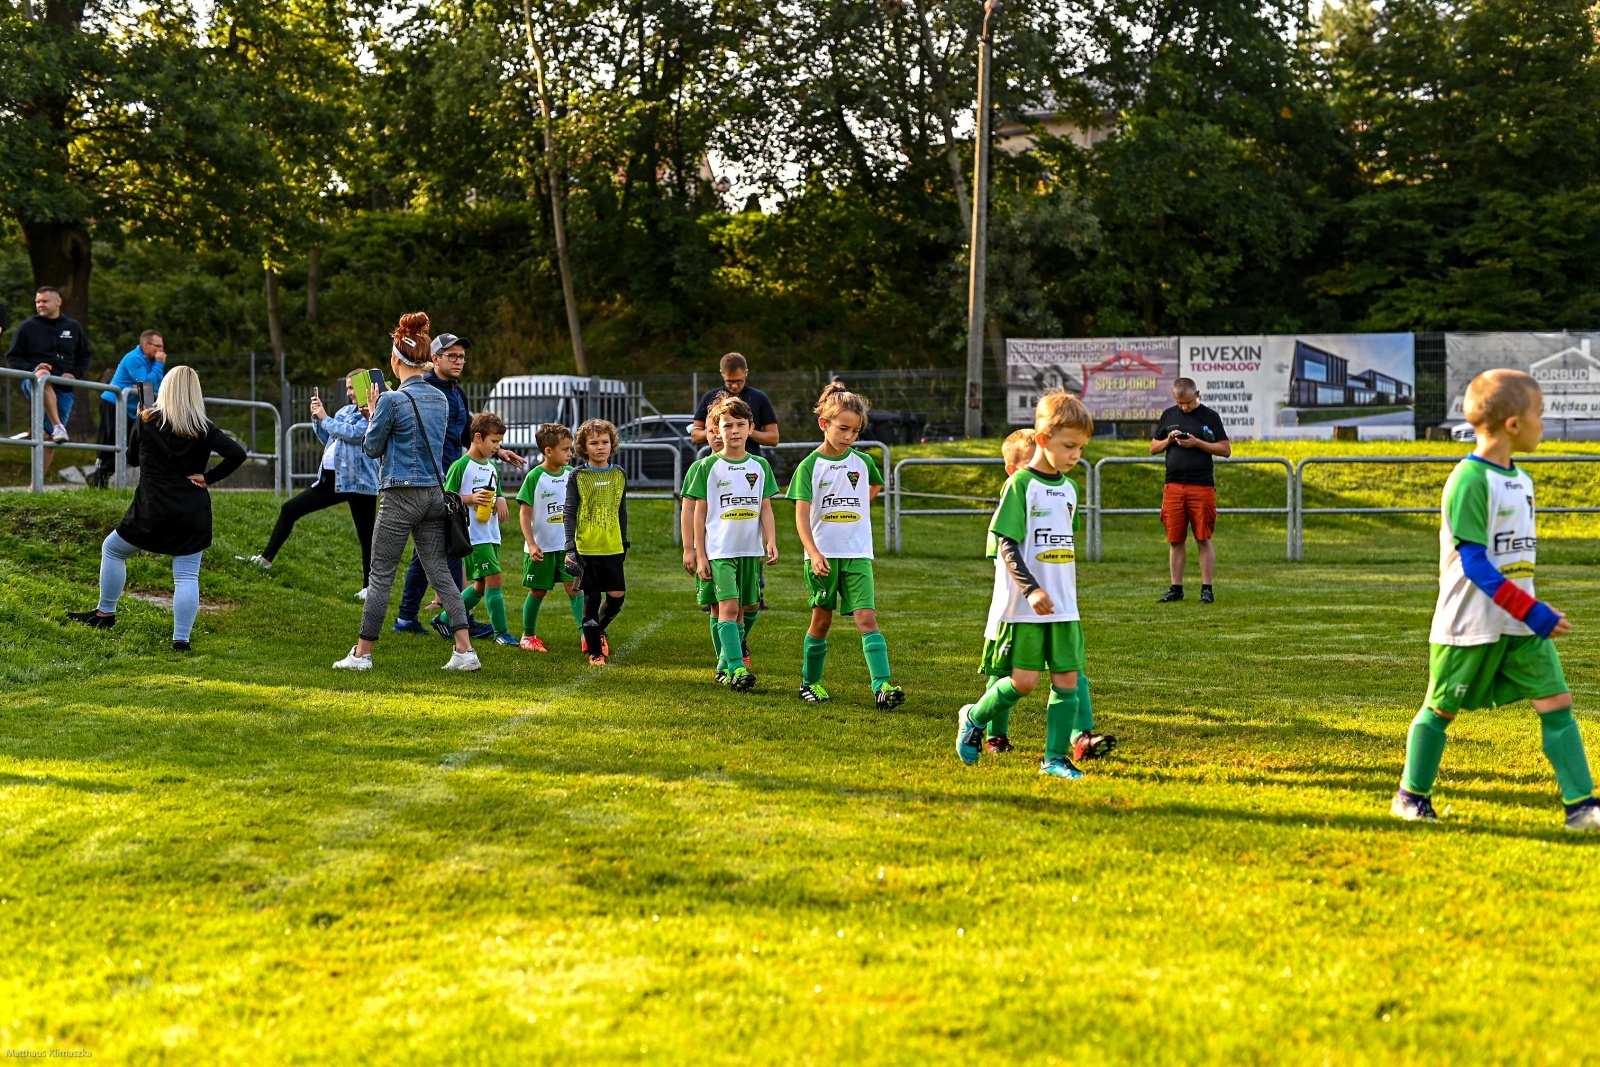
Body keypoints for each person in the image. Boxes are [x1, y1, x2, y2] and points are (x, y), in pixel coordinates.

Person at [1392, 369, 1599, 831]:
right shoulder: (1469, 479)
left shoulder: (1521, 479)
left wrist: (1529, 611)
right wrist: (1533, 610)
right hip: (1470, 624)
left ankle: (1582, 808)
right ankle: (1410, 797)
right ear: (1513, 425)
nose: (1543, 425)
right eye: (1538, 415)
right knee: (1440, 709)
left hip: (1521, 626)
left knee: (1558, 704)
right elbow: (1475, 564)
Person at [956, 390, 1096, 779]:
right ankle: (974, 716)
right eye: (1069, 446)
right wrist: (1031, 588)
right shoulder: (1021, 486)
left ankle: (1054, 759)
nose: (1075, 456)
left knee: (1067, 681)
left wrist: (1057, 588)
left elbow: (1061, 544)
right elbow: (1007, 544)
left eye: (1081, 449)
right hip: (1025, 606)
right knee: (1023, 682)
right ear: (1042, 439)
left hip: (1065, 606)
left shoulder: (1069, 490)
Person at [334, 312, 479, 672]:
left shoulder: (390, 400)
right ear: (428, 360)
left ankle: (362, 654)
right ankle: (465, 651)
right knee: (441, 573)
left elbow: (371, 447)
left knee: (381, 575)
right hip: (434, 493)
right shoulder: (441, 400)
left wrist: (372, 413)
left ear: (396, 360)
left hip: (400, 496)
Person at [66, 366, 246, 650]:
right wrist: (208, 477)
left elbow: (132, 459)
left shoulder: (147, 420)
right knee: (187, 576)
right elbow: (238, 453)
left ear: (166, 389)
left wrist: (140, 422)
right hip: (191, 510)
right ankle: (181, 639)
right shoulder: (203, 427)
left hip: (151, 509)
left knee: (112, 549)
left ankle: (105, 613)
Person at [973, 427, 1114, 760]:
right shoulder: (1017, 496)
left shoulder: (1065, 490)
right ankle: (995, 734)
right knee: (1005, 674)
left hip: (1057, 604)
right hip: (1013, 608)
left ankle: (1082, 737)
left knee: (1072, 670)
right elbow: (1007, 557)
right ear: (1012, 470)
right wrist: (1031, 589)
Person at [391, 331, 524, 637]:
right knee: (452, 548)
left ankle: (406, 620)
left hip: (453, 477)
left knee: (427, 551)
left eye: (462, 356)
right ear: (434, 358)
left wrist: (499, 451)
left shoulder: (456, 391)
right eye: (452, 356)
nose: (459, 361)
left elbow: (468, 435)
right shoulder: (422, 389)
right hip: (434, 479)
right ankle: (457, 619)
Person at [788, 382, 904, 709]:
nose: (849, 436)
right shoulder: (810, 466)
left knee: (867, 618)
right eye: (842, 429)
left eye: (855, 430)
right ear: (824, 424)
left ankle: (882, 686)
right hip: (824, 558)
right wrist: (813, 552)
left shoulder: (863, 463)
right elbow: (801, 516)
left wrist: (858, 505)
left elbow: (877, 483)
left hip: (858, 555)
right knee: (821, 621)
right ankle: (809, 683)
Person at [241, 370, 379, 597]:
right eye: (347, 387)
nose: (348, 392)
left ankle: (370, 588)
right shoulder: (345, 411)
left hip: (360, 481)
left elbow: (355, 434)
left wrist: (325, 418)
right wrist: (317, 420)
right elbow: (330, 437)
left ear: (364, 387)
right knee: (290, 508)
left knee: (366, 535)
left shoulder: (374, 411)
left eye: (352, 387)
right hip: (331, 480)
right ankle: (265, 560)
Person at [687, 395, 778, 690]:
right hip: (719, 551)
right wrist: (699, 554)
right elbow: (698, 514)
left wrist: (770, 540)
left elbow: (765, 507)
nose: (735, 430)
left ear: (751, 427)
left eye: (740, 424)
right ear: (717, 430)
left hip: (750, 551)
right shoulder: (708, 467)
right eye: (728, 425)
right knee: (727, 607)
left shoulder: (760, 466)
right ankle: (738, 668)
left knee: (747, 608)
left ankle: (724, 663)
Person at [430, 412, 516, 645]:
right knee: (495, 580)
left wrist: (500, 499)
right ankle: (501, 634)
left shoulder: (491, 466)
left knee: (479, 586)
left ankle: (444, 618)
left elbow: (494, 491)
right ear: (478, 437)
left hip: (491, 533)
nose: (497, 447)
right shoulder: (461, 465)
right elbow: (446, 498)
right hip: (473, 535)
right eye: (494, 442)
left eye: (499, 442)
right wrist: (470, 498)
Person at [1150, 378, 1230, 603]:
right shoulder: (1168, 415)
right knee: (1175, 539)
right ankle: (1176, 588)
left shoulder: (1210, 416)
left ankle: (1207, 588)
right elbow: (1153, 447)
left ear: (1197, 394)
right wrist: (1169, 440)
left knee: (1203, 537)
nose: (1183, 407)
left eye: (1187, 402)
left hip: (1201, 485)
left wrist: (1197, 443)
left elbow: (1225, 449)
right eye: (1179, 403)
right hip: (1173, 485)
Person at [563, 418, 629, 666]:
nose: (600, 447)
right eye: (594, 443)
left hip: (612, 547)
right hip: (586, 548)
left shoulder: (619, 474)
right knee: (592, 599)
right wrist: (571, 547)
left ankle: (596, 632)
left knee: (617, 596)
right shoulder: (578, 475)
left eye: (605, 442)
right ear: (583, 447)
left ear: (612, 444)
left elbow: (622, 511)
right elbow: (569, 512)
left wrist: (623, 540)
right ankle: (595, 652)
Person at [516, 422, 583, 652]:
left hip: (567, 548)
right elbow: (524, 514)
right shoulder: (535, 477)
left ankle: (587, 635)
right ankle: (528, 636)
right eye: (565, 449)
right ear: (548, 451)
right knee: (538, 591)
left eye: (570, 448)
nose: (570, 453)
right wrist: (532, 544)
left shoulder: (572, 475)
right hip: (541, 549)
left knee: (575, 588)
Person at [6, 286, 91, 463]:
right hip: (35, 381)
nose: (40, 305)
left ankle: (36, 488)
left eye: (44, 301)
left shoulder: (73, 327)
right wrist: (34, 367)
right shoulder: (27, 327)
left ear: (58, 302)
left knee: (50, 438)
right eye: (37, 301)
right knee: (43, 374)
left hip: (64, 388)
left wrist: (74, 374)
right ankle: (58, 425)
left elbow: (85, 356)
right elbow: (13, 358)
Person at [680, 418, 727, 674]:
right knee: (718, 604)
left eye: (723, 430)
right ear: (705, 435)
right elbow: (688, 511)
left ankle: (736, 646)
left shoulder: (752, 465)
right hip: (712, 549)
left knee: (747, 605)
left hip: (743, 549)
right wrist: (691, 549)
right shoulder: (700, 468)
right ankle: (726, 659)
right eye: (712, 431)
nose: (718, 436)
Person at [93, 329, 165, 486]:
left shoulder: (153, 362)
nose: (161, 351)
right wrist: (158, 367)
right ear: (146, 344)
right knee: (110, 443)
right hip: (114, 404)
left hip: (132, 409)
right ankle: (98, 479)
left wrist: (149, 378)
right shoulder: (134, 358)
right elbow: (147, 384)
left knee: (133, 445)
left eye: (162, 347)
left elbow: (157, 387)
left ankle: (101, 478)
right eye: (157, 346)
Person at [690, 352, 779, 456]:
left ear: (746, 373)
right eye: (730, 381)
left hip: (749, 464)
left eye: (739, 381)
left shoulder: (759, 398)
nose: (735, 386)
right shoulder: (710, 397)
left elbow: (773, 438)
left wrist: (745, 430)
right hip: (719, 463)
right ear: (722, 374)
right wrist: (720, 430)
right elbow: (695, 436)